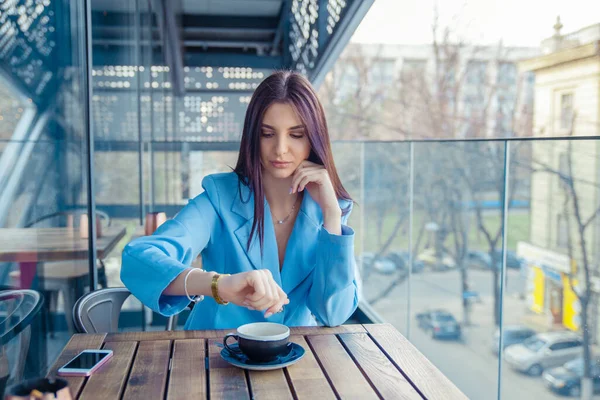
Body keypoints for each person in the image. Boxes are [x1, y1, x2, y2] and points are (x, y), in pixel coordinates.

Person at [121, 71, 358, 330]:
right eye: (268, 134)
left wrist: (332, 216)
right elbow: (139, 258)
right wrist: (218, 284)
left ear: (314, 139)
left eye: (296, 135)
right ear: (253, 137)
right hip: (211, 355)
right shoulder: (219, 198)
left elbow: (333, 314)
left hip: (293, 360)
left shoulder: (328, 211)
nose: (280, 148)